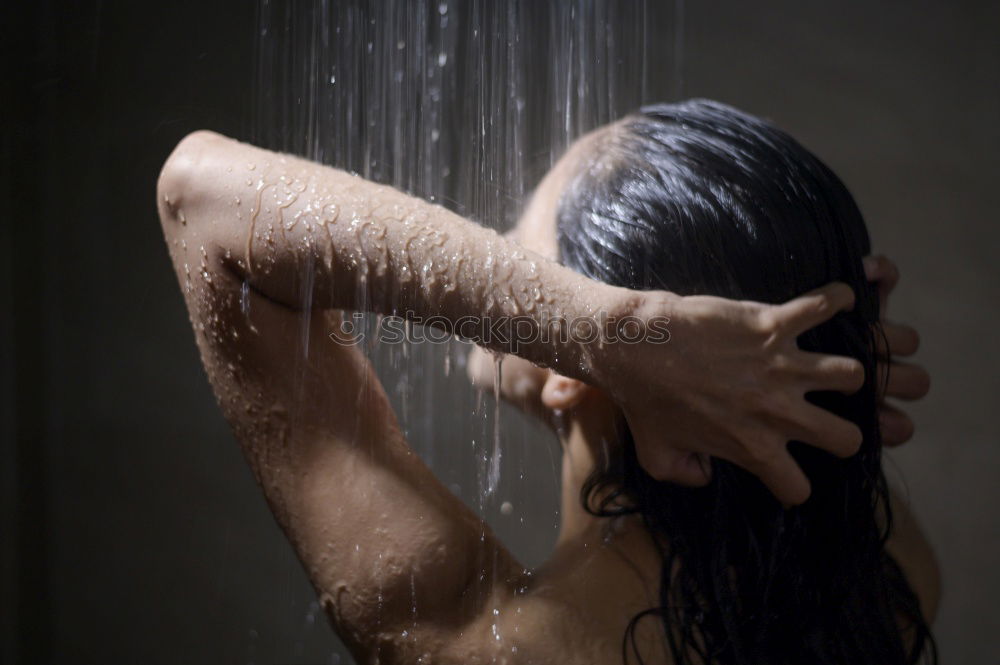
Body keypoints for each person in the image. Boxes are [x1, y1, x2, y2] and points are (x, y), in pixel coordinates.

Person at [156, 99, 937, 664]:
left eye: (527, 260)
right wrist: (831, 340)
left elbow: (201, 198)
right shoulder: (887, 580)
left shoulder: (493, 643)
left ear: (572, 368)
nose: (498, 251)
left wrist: (605, 332)